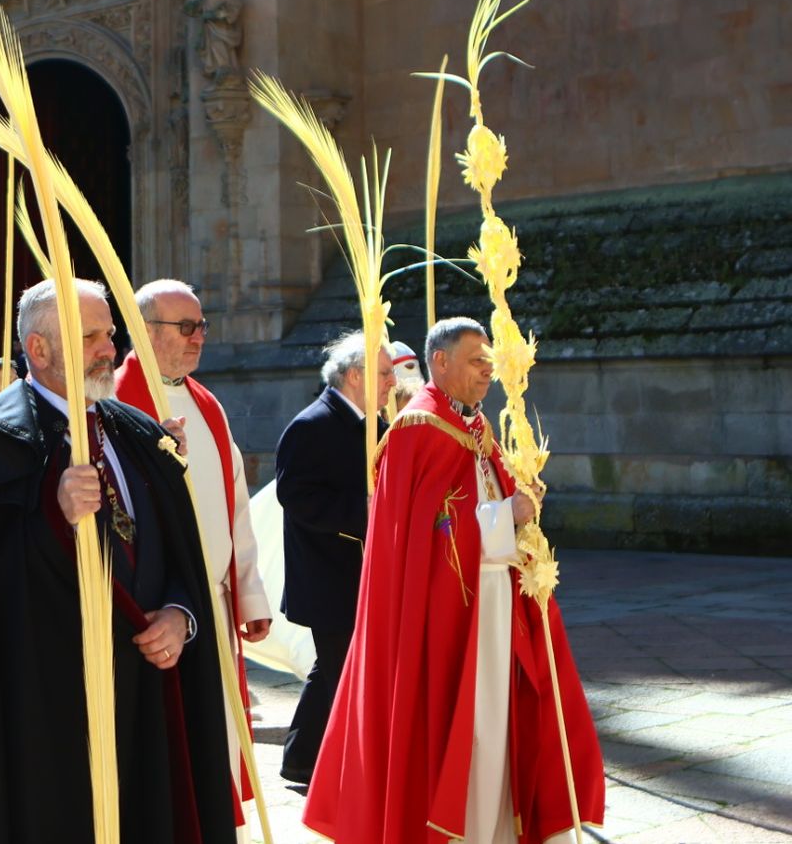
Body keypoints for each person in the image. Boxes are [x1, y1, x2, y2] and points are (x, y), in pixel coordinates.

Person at [0, 279, 237, 843]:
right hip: (43, 712)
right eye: (91, 336)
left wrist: (180, 612)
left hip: (145, 696)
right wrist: (50, 518)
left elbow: (180, 553)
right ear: (40, 349)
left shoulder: (134, 430)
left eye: (109, 334)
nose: (109, 349)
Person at [303, 318, 605, 843]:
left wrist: (524, 519)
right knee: (470, 732)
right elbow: (431, 534)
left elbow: (483, 504)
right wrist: (507, 515)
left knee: (497, 729)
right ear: (439, 363)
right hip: (447, 615)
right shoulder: (417, 430)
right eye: (476, 361)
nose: (488, 371)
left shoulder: (477, 428)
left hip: (493, 608)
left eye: (490, 361)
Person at [114, 279, 272, 830]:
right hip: (149, 611)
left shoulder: (208, 405)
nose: (199, 338)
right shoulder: (112, 401)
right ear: (144, 331)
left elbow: (235, 508)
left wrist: (249, 593)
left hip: (213, 603)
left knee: (215, 737)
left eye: (202, 325)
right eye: (187, 327)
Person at [272, 330, 393, 788]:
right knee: (346, 671)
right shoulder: (312, 424)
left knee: (332, 671)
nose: (390, 383)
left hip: (361, 572)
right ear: (356, 375)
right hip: (329, 574)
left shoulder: (373, 424)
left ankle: (302, 758)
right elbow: (295, 496)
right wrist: (361, 512)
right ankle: (353, 771)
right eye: (383, 373)